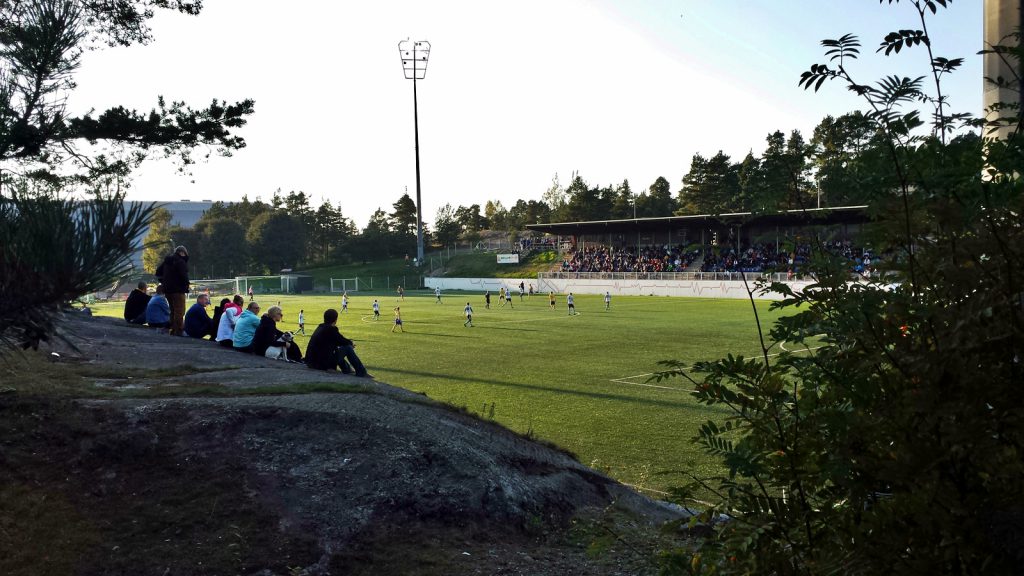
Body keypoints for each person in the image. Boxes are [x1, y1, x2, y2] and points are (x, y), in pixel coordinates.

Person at [306, 308, 371, 377]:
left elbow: (338, 341)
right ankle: (361, 372)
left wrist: (347, 342)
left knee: (339, 348)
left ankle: (347, 369)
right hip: (321, 364)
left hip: (312, 362)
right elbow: (341, 340)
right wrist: (350, 343)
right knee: (347, 348)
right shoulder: (331, 329)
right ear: (335, 320)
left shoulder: (321, 327)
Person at [155, 245, 190, 336]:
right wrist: (186, 284)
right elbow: (184, 276)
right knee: (180, 310)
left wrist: (164, 282)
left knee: (173, 310)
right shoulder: (180, 262)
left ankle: (173, 329)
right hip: (178, 290)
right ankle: (179, 330)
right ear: (182, 253)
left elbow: (158, 272)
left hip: (167, 290)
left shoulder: (167, 261)